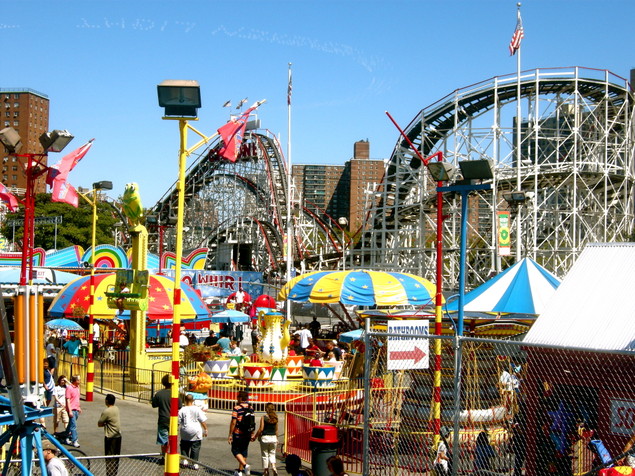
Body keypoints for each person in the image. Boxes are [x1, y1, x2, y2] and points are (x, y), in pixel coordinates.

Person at [152, 374, 180, 459]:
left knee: (163, 439)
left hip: (163, 419)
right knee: (173, 438)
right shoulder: (175, 394)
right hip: (173, 419)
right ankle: (172, 455)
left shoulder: (159, 394)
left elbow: (154, 405)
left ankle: (164, 456)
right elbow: (179, 406)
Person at [229, 390, 255, 476]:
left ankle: (245, 465)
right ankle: (240, 471)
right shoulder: (251, 408)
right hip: (247, 432)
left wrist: (230, 434)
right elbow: (252, 421)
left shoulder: (237, 408)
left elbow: (233, 422)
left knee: (235, 450)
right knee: (244, 451)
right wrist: (252, 433)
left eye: (237, 397)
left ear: (240, 398)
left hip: (238, 432)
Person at [179, 393, 208, 469]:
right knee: (195, 446)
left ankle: (185, 460)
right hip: (196, 430)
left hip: (185, 430)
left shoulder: (182, 410)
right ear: (193, 400)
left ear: (185, 400)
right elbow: (202, 420)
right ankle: (194, 463)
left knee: (184, 445)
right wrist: (205, 429)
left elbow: (178, 421)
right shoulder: (197, 409)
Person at [98, 394, 122, 476]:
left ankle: (110, 474)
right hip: (118, 435)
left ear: (107, 401)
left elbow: (99, 423)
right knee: (116, 456)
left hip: (110, 436)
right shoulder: (116, 408)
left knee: (109, 457)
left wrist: (105, 424)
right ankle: (114, 473)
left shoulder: (106, 411)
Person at [252, 402, 278, 476]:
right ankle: (274, 467)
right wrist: (276, 438)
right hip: (273, 438)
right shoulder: (275, 418)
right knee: (272, 454)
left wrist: (255, 437)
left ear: (266, 409)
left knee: (265, 455)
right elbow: (276, 430)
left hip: (265, 438)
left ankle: (266, 471)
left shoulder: (264, 417)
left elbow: (261, 429)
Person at [64, 375, 82, 447]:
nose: (80, 381)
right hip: (72, 409)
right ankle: (75, 440)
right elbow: (68, 400)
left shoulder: (77, 388)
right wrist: (70, 410)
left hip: (76, 408)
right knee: (73, 425)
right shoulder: (69, 388)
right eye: (79, 380)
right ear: (75, 381)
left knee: (71, 424)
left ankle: (66, 436)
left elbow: (77, 399)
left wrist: (79, 407)